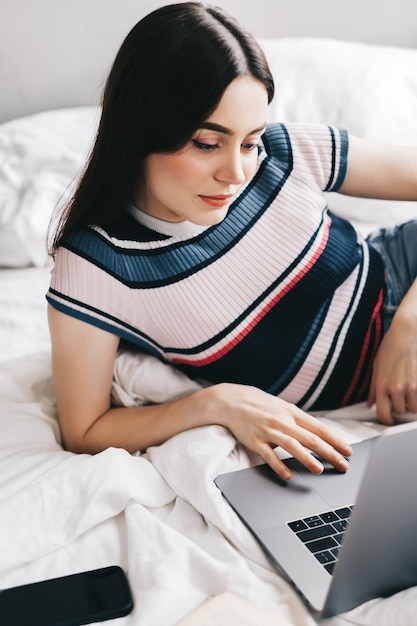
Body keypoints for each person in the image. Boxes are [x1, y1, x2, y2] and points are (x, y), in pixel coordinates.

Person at [47, 1, 417, 481]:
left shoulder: (285, 151)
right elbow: (85, 429)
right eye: (207, 143)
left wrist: (409, 324)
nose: (237, 173)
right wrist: (217, 402)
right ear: (140, 128)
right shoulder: (96, 266)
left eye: (249, 141)